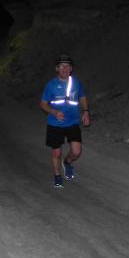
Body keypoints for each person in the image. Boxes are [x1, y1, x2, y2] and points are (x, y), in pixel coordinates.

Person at [39, 55, 90, 188]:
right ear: (57, 69)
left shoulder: (76, 83)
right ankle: (57, 176)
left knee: (76, 152)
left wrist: (86, 111)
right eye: (62, 66)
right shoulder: (51, 85)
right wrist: (54, 112)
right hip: (55, 124)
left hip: (73, 122)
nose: (65, 69)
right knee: (56, 152)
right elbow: (43, 104)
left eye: (67, 66)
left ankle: (67, 163)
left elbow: (82, 97)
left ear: (71, 69)